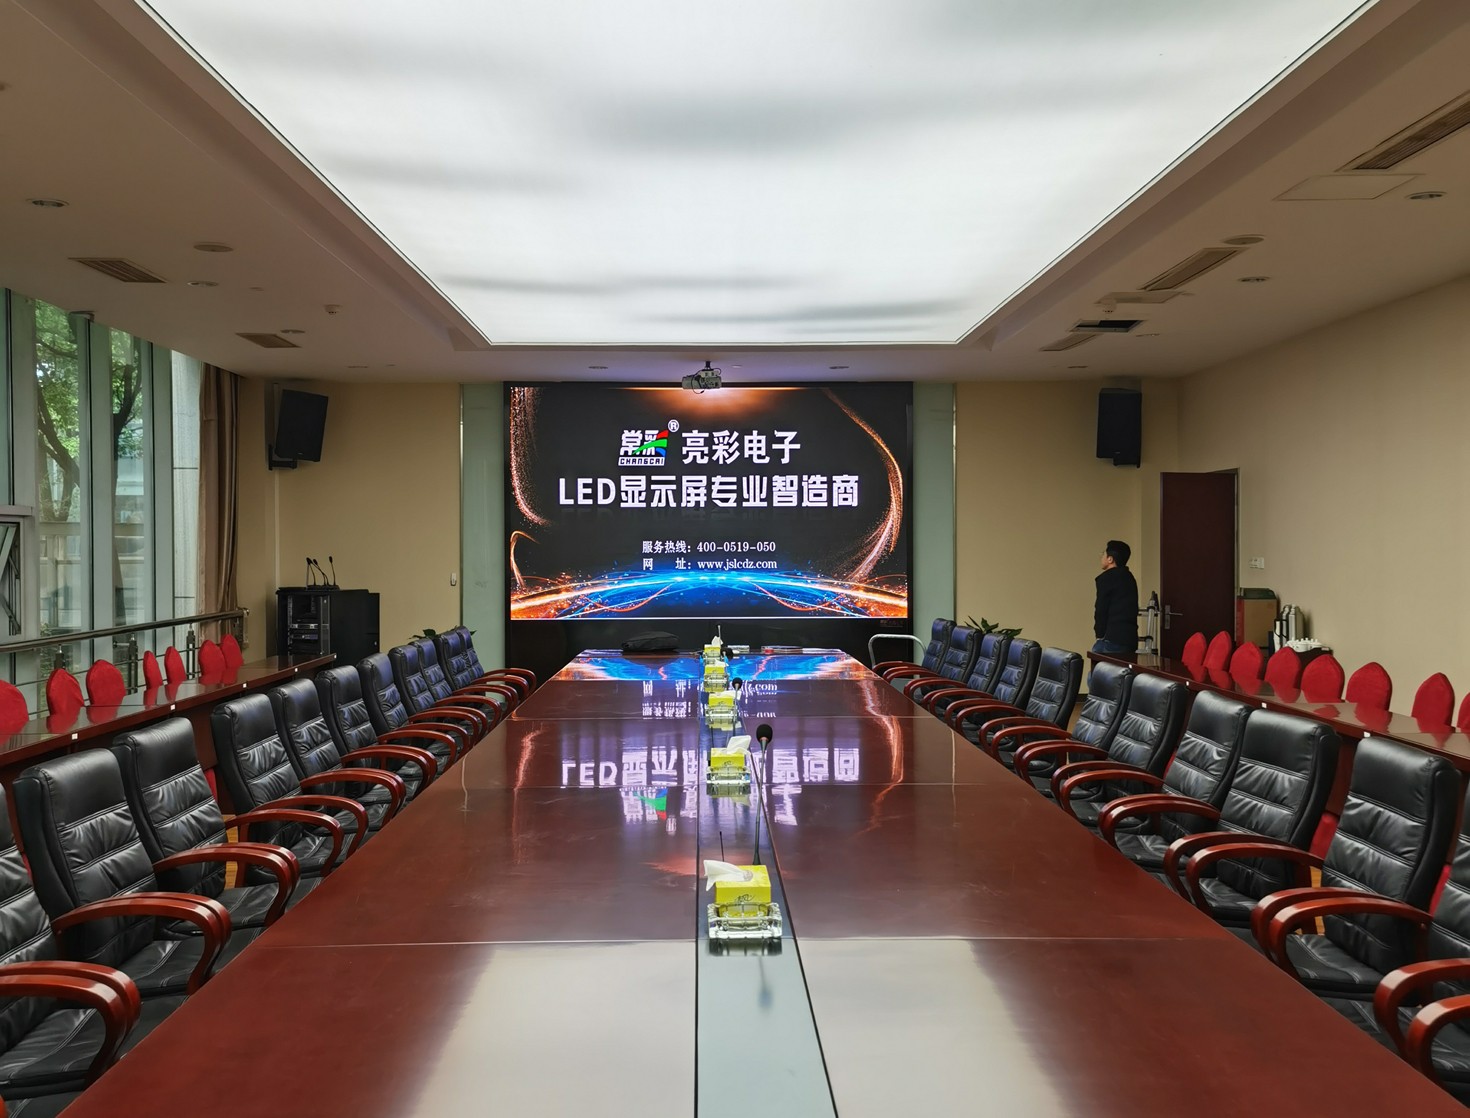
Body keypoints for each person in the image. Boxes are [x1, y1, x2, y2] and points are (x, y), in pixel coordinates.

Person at [1092, 540, 1138, 655]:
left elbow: (1101, 609)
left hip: (1111, 638)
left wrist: (1099, 635)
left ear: (1110, 559)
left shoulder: (1107, 578)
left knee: (1098, 664)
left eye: (1104, 554)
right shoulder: (1129, 577)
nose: (1101, 557)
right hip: (1129, 638)